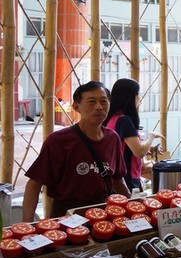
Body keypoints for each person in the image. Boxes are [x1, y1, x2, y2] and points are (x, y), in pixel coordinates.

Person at [22, 81, 129, 221]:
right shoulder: (59, 141)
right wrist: (27, 224)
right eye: (91, 101)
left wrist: (131, 206)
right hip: (67, 216)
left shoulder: (112, 138)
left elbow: (117, 179)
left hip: (103, 214)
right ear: (76, 106)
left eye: (104, 101)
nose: (99, 107)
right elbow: (34, 184)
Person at [105, 78, 164, 193]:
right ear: (130, 97)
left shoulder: (112, 118)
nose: (139, 98)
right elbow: (139, 151)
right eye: (138, 94)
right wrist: (151, 136)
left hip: (115, 176)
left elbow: (123, 147)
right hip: (127, 178)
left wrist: (149, 148)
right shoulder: (124, 120)